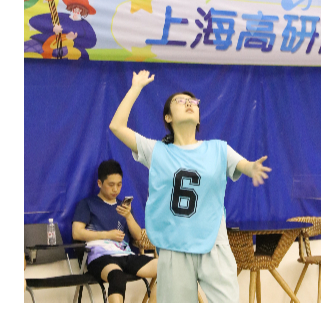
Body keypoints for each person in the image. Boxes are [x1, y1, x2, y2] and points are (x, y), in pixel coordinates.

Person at [108, 70, 271, 304]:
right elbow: (117, 126)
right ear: (168, 117)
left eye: (193, 102)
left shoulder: (218, 149)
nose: (188, 104)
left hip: (213, 243)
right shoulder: (157, 151)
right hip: (174, 247)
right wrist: (136, 87)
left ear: (199, 118)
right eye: (180, 101)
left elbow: (243, 164)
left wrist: (251, 168)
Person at [72, 160, 157, 303]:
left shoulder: (123, 206)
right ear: (100, 183)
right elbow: (77, 233)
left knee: (166, 269)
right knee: (117, 277)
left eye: (119, 184)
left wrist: (128, 216)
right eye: (111, 185)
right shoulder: (87, 204)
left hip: (125, 254)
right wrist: (107, 235)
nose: (115, 189)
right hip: (100, 256)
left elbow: (138, 236)